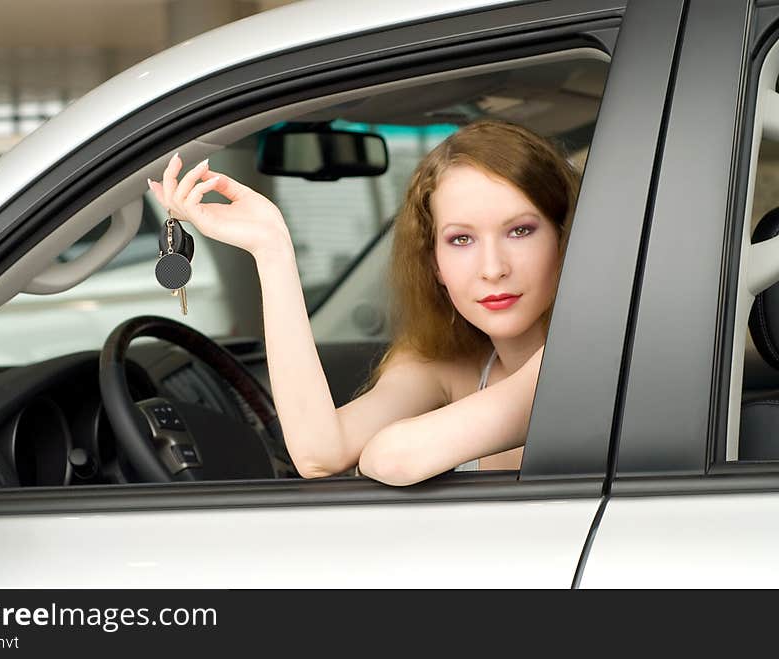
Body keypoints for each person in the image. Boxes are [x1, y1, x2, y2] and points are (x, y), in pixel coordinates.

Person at [147, 119, 580, 486]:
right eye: (461, 239)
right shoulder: (449, 364)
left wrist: (377, 452)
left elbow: (394, 457)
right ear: (435, 265)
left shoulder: (583, 357)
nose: (492, 268)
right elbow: (319, 453)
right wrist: (271, 249)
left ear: (565, 238)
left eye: (520, 231)